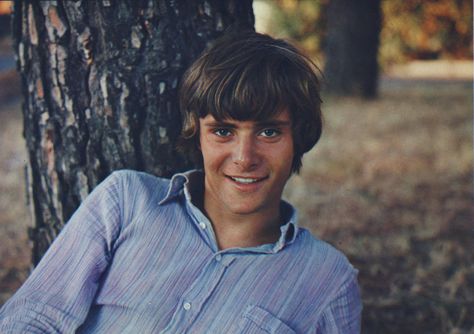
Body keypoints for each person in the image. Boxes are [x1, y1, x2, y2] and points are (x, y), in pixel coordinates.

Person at [0, 31, 362, 333]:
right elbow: (32, 319)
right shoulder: (125, 202)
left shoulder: (327, 280)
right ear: (197, 134)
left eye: (269, 131)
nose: (244, 156)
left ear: (299, 137)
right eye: (223, 130)